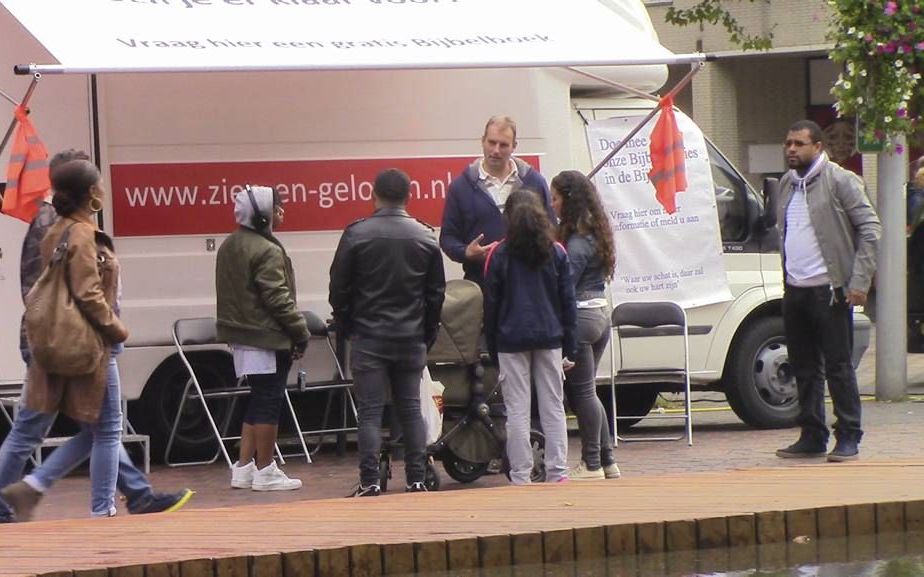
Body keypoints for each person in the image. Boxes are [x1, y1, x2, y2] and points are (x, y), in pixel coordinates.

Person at [0, 151, 192, 523]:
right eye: (98, 182)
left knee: (90, 428)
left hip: (62, 341)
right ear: (89, 191)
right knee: (97, 428)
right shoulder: (78, 231)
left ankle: (45, 488)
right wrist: (115, 329)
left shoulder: (57, 227)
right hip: (80, 344)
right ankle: (102, 507)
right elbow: (83, 292)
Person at [329, 168, 445, 496]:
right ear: (409, 196)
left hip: (368, 335)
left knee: (369, 410)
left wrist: (348, 324)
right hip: (410, 337)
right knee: (410, 408)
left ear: (373, 195)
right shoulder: (425, 236)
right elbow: (436, 292)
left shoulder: (356, 234)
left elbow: (339, 288)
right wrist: (427, 331)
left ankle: (369, 481)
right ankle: (417, 478)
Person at [775, 120, 880, 462]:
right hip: (796, 288)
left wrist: (859, 282)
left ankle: (848, 436)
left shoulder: (840, 180)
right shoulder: (786, 185)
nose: (792, 149)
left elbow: (870, 229)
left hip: (831, 289)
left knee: (838, 366)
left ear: (818, 146)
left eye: (799, 144)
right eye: (789, 143)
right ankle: (812, 434)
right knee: (803, 366)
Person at [217, 185, 309, 492]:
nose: (282, 212)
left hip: (241, 336)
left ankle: (243, 468)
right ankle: (267, 469)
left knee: (257, 399)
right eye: (277, 207)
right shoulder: (267, 249)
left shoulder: (230, 244)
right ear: (263, 216)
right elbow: (277, 298)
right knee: (269, 400)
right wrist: (300, 330)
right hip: (266, 336)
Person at [483, 188, 576, 485]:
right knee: (553, 407)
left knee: (517, 412)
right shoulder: (556, 251)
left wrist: (493, 348)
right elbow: (568, 304)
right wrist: (569, 347)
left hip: (510, 340)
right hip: (550, 338)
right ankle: (557, 472)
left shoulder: (498, 254)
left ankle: (521, 475)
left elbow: (491, 305)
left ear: (508, 217)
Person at [550, 170, 620, 481]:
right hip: (600, 312)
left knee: (583, 394)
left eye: (555, 198)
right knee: (589, 391)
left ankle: (591, 464)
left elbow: (564, 286)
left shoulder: (577, 243)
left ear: (569, 200)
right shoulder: (595, 232)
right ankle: (607, 461)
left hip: (581, 317)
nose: (551, 204)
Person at [440, 115, 553, 285]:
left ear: (514, 147)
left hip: (529, 281)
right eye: (492, 142)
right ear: (482, 141)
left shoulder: (534, 182)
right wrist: (466, 252)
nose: (496, 150)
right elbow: (447, 238)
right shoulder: (461, 187)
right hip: (482, 281)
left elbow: (552, 230)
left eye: (503, 145)